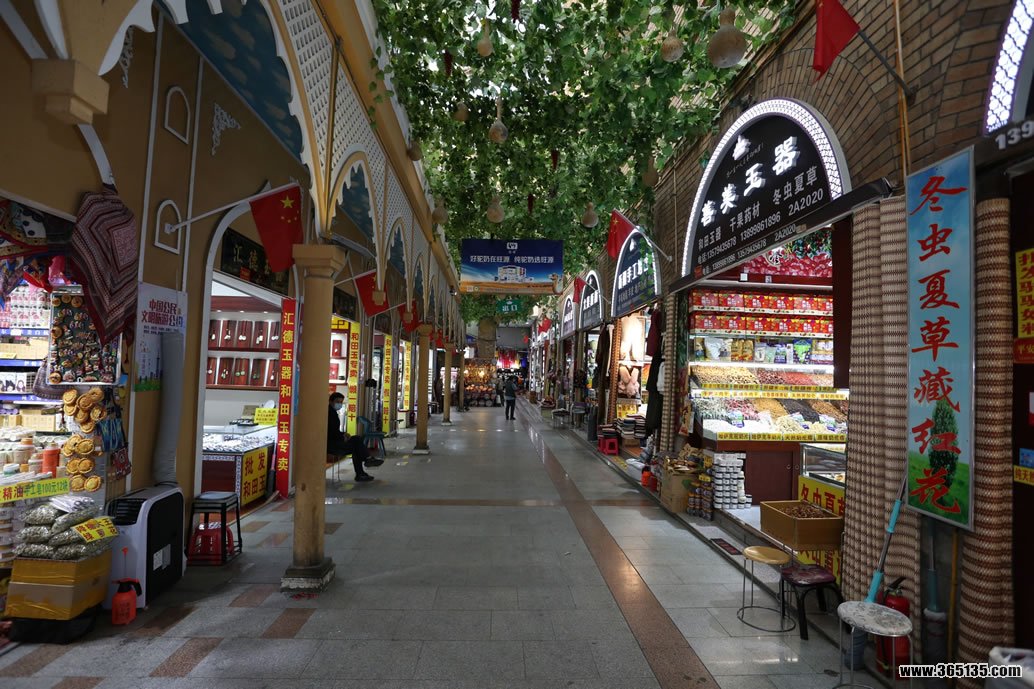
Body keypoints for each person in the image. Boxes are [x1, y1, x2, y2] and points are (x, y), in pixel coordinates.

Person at [327, 392, 382, 482]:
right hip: (332, 445)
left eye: (341, 402)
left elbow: (334, 431)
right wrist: (342, 437)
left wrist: (343, 434)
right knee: (356, 444)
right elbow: (329, 432)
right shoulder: (329, 414)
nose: (339, 404)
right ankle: (363, 467)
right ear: (330, 401)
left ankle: (362, 470)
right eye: (337, 402)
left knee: (356, 440)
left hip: (335, 441)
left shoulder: (332, 413)